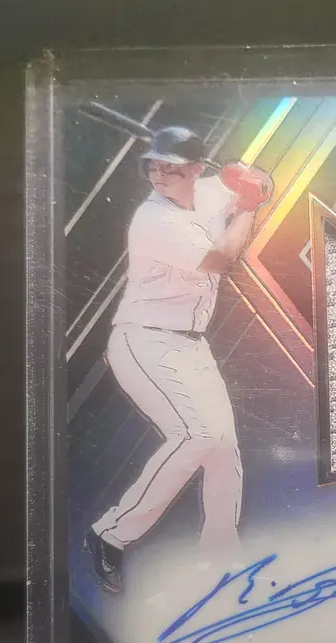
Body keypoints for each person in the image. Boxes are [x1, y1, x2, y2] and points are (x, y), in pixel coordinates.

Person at [84, 126, 272, 593]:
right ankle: (110, 534)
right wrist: (249, 206)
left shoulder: (208, 192)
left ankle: (223, 560)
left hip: (190, 343)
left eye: (170, 166)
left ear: (196, 169)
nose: (159, 174)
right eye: (154, 165)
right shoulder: (153, 219)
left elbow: (260, 183)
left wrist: (252, 179)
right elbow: (222, 258)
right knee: (198, 434)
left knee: (223, 447)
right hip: (143, 339)